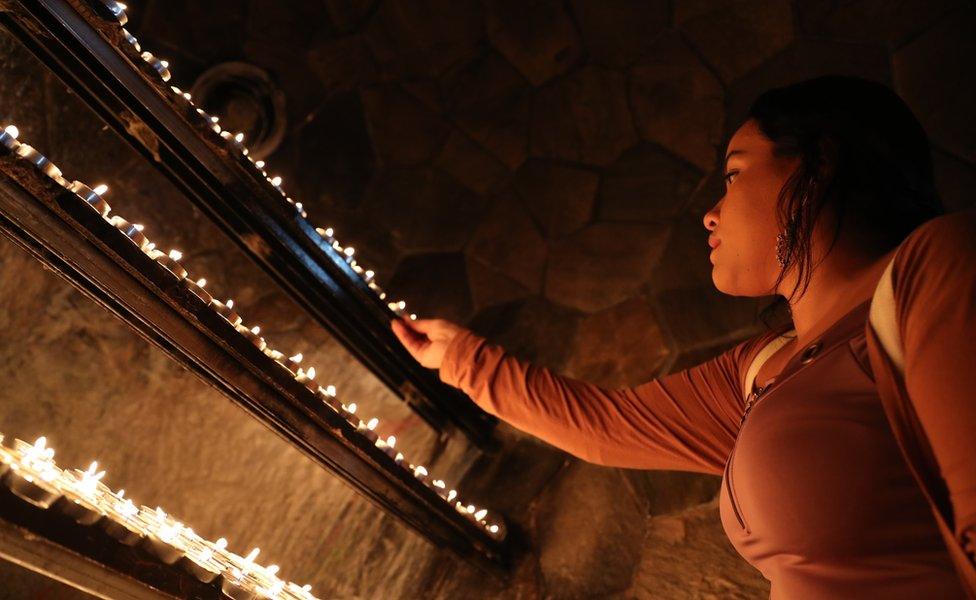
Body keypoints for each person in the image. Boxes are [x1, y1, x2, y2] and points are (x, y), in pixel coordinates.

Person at [391, 75, 975, 598]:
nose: (710, 213)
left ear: (818, 161)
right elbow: (604, 427)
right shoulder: (763, 368)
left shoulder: (937, 266)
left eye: (735, 173)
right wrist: (461, 358)